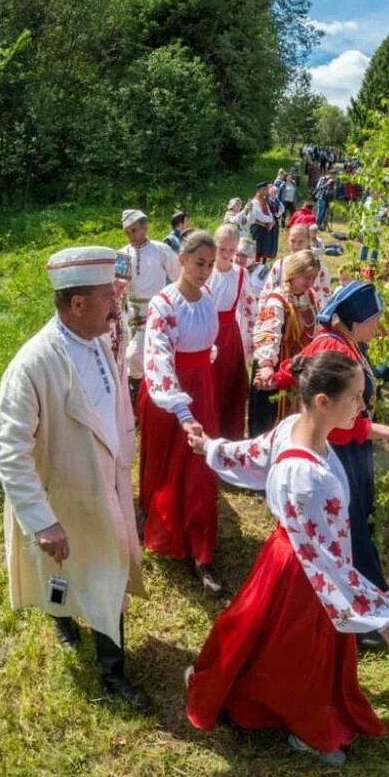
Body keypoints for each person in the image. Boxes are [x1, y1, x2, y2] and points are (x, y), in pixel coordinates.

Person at [184, 350, 389, 767]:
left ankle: (235, 684)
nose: (362, 406)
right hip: (304, 573)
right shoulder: (304, 476)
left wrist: (210, 447)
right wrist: (382, 615)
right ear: (323, 402)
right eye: (356, 397)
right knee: (299, 651)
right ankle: (304, 724)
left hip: (293, 558)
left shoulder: (293, 428)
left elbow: (246, 453)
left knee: (261, 634)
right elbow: (326, 562)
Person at [0, 246, 150, 713]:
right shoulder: (32, 365)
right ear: (76, 304)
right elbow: (9, 451)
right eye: (107, 298)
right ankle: (99, 660)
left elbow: (114, 379)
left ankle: (109, 664)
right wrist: (42, 521)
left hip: (106, 487)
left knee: (106, 576)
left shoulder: (101, 336)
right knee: (68, 572)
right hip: (65, 497)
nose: (115, 305)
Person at [273, 281, 389, 649]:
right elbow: (301, 376)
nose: (379, 325)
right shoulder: (332, 347)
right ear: (355, 322)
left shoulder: (350, 343)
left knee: (354, 525)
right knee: (345, 530)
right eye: (375, 319)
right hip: (337, 450)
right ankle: (362, 616)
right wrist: (387, 432)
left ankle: (364, 609)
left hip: (350, 447)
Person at [139, 231, 223, 595]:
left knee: (200, 470)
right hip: (169, 395)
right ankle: (166, 528)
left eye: (209, 264)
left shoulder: (205, 297)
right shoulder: (163, 304)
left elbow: (207, 342)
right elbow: (158, 356)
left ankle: (201, 549)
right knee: (169, 466)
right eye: (198, 263)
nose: (205, 271)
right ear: (182, 260)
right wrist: (181, 410)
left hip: (202, 386)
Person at [249, 251, 321, 435]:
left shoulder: (310, 295)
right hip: (277, 364)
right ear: (293, 273)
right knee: (269, 423)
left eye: (313, 277)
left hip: (299, 368)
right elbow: (267, 334)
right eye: (306, 277)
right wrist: (266, 365)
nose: (310, 282)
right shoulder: (277, 299)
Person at [119, 209, 179, 409]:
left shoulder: (161, 250)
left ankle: (159, 395)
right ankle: (136, 401)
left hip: (158, 308)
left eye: (134, 230)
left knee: (158, 351)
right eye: (127, 232)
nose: (131, 236)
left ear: (145, 228)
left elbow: (178, 276)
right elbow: (117, 286)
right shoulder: (123, 254)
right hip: (133, 312)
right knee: (132, 355)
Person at [205, 224, 250, 439]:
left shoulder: (241, 274)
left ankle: (229, 433)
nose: (226, 255)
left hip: (229, 335)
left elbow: (249, 308)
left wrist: (249, 340)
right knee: (208, 384)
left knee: (230, 384)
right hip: (206, 331)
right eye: (222, 249)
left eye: (231, 251)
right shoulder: (205, 273)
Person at [249, 181, 277, 263]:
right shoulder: (255, 201)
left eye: (266, 189)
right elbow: (260, 216)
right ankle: (254, 265)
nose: (266, 191)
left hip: (265, 228)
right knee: (257, 249)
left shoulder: (264, 201)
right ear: (259, 190)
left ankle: (261, 265)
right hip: (258, 228)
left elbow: (270, 213)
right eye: (264, 189)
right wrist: (270, 220)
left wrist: (271, 220)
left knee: (264, 249)